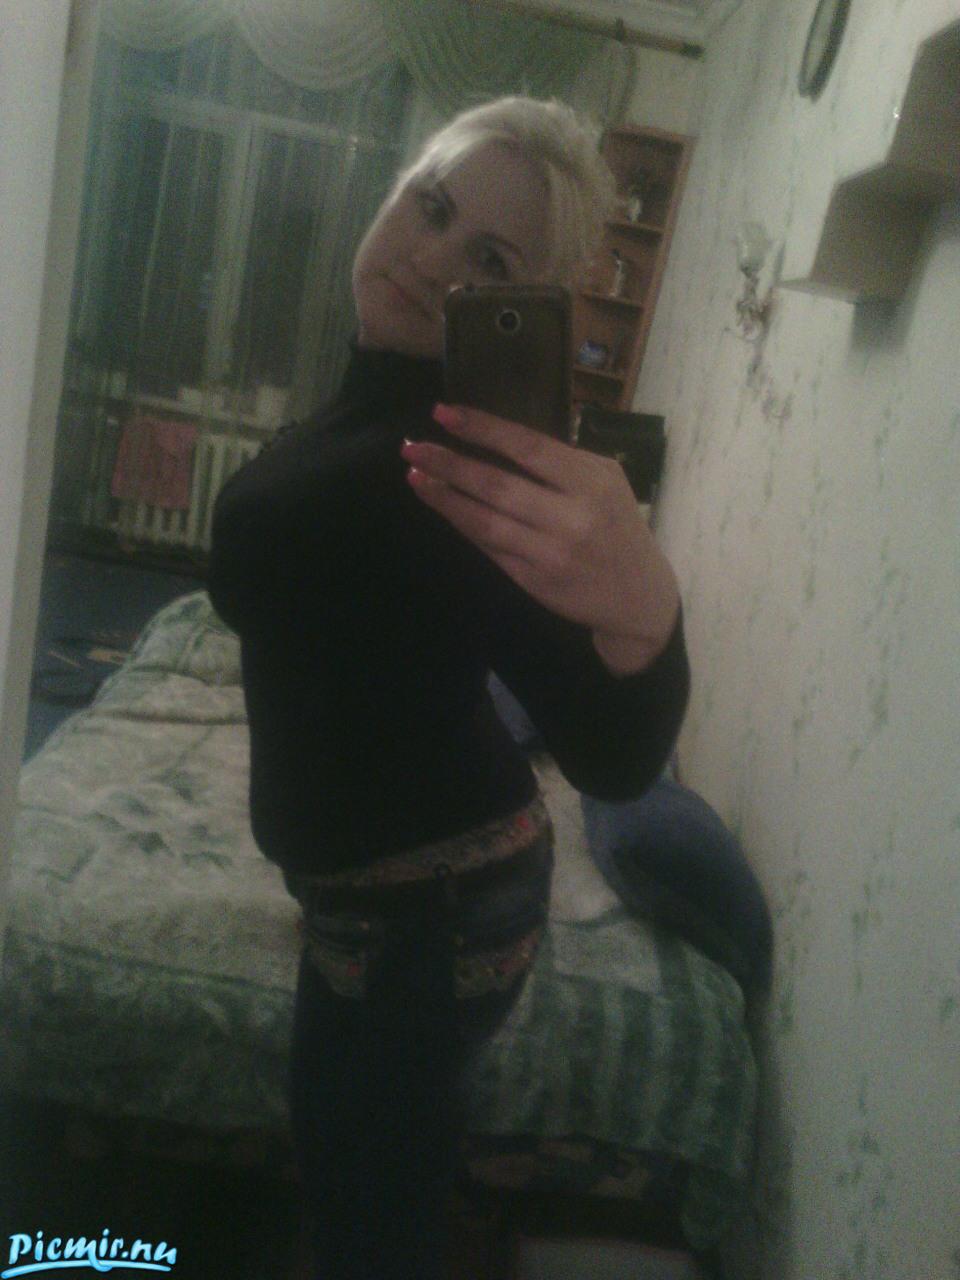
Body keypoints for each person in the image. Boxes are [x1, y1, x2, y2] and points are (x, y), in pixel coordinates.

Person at [207, 95, 689, 1280]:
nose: (431, 261)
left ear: (529, 307)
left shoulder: (467, 475)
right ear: (394, 187)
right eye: (431, 207)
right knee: (354, 1156)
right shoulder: (366, 400)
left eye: (492, 263)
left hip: (437, 908)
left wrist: (647, 613)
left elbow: (613, 754)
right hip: (377, 897)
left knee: (371, 1204)